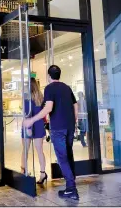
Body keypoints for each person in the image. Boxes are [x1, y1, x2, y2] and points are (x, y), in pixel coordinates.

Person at [23, 65, 79, 200]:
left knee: (62, 158)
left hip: (58, 128)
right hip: (70, 127)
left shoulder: (49, 88)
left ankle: (71, 189)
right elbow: (75, 105)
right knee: (69, 155)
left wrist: (31, 121)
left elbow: (48, 108)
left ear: (48, 76)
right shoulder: (66, 87)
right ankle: (71, 185)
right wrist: (74, 121)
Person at [21, 78, 47, 185]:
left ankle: (24, 171)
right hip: (39, 124)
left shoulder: (26, 98)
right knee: (40, 150)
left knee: (25, 150)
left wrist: (28, 127)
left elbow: (27, 113)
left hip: (28, 124)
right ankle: (42, 173)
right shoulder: (41, 97)